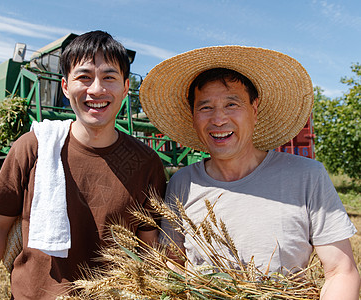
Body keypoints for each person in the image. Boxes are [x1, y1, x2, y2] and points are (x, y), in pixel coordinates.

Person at [139, 46, 360, 299]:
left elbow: (341, 271)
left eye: (231, 104)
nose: (219, 119)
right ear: (193, 116)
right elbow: (173, 266)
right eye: (205, 108)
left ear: (254, 109)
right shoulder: (182, 184)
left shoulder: (307, 177)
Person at [0, 30, 166, 299]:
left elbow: (149, 247)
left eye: (109, 77)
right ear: (65, 86)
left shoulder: (146, 163)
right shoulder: (33, 147)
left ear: (125, 88)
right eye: (84, 77)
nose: (96, 89)